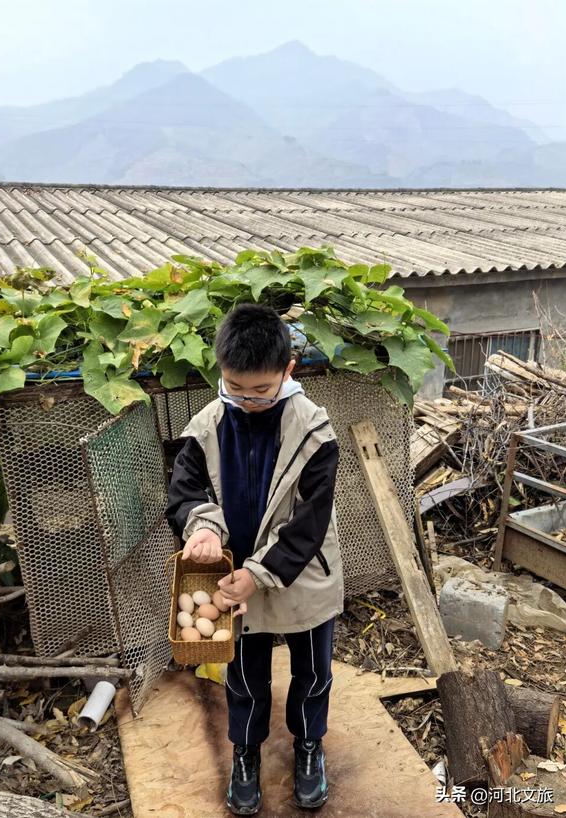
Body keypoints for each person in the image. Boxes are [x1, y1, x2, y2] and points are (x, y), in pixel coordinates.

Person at [165, 302, 344, 815]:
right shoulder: (207, 425)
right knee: (243, 674)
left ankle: (309, 747)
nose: (247, 401)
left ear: (288, 372)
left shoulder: (315, 432)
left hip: (299, 572)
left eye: (261, 391)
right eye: (235, 389)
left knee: (313, 670)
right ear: (221, 372)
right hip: (231, 574)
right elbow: (184, 491)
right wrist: (202, 527)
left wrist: (260, 573)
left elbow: (310, 522)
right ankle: (245, 753)